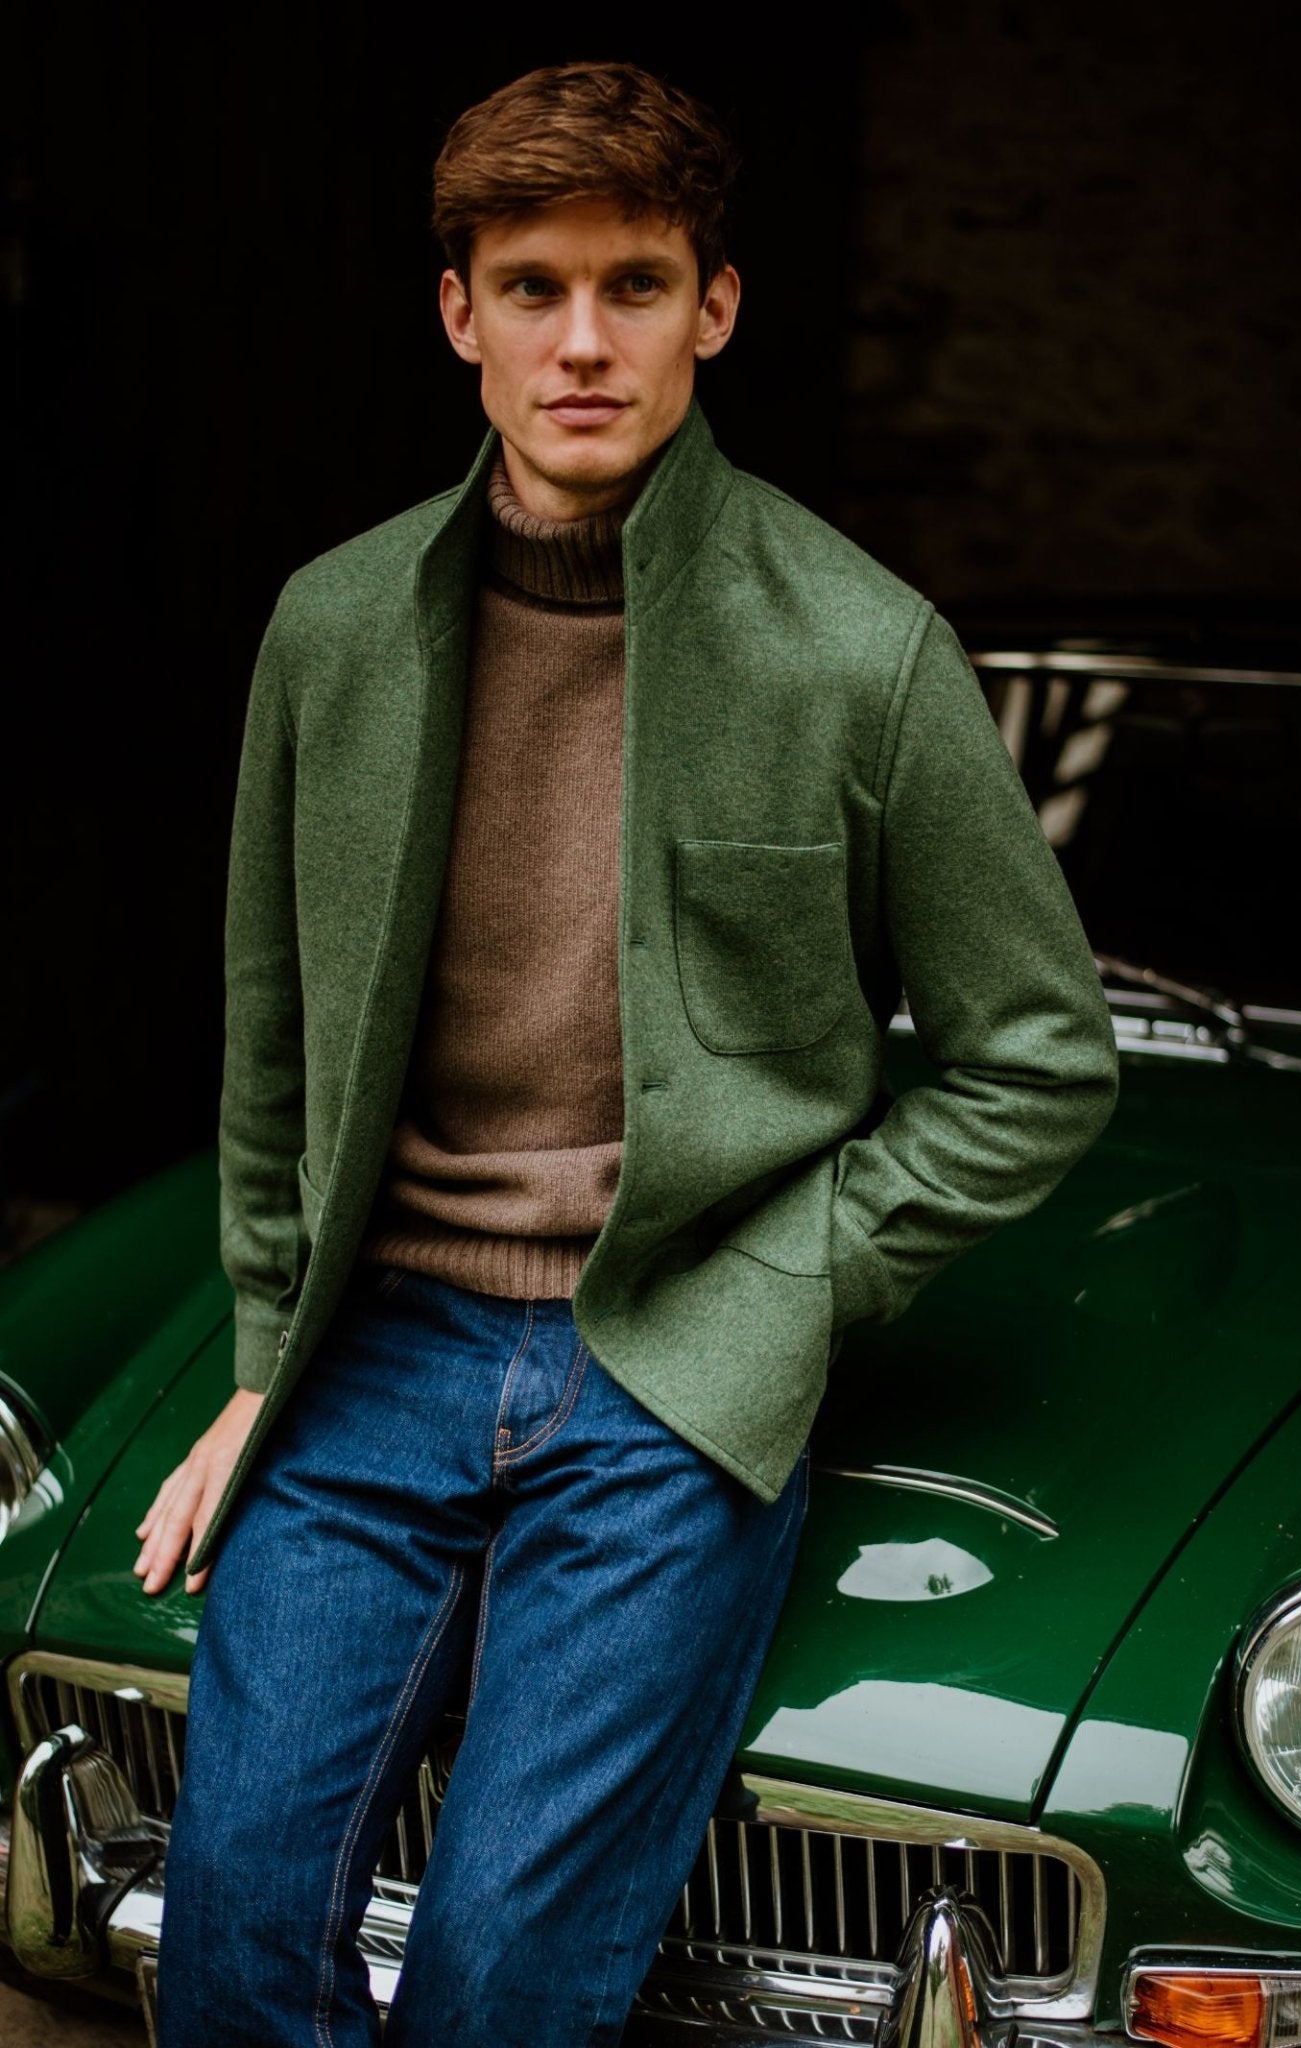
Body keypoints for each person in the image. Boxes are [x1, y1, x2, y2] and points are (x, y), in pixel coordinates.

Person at [137, 58, 1120, 2048]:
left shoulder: (862, 647)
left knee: (503, 1977)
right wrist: (261, 1356)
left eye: (636, 285)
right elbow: (274, 1029)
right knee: (225, 1920)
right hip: (376, 1350)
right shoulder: (333, 626)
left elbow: (1039, 1053)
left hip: (673, 1365)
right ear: (459, 314)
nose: (582, 342)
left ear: (715, 307)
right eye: (534, 288)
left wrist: (796, 1277)